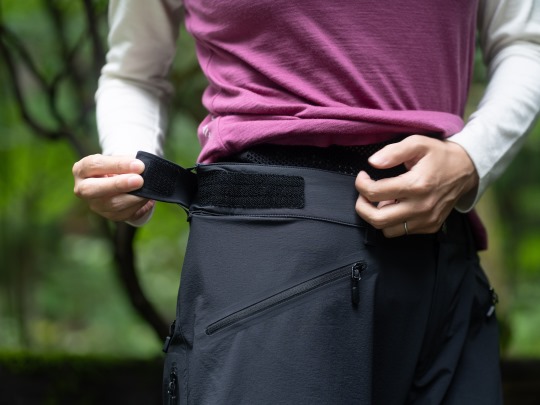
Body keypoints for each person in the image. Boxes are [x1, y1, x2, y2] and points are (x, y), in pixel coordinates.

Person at [72, 1, 540, 403]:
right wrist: (128, 162)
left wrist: (471, 158)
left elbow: (524, 41)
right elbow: (133, 71)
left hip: (444, 268)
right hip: (268, 262)